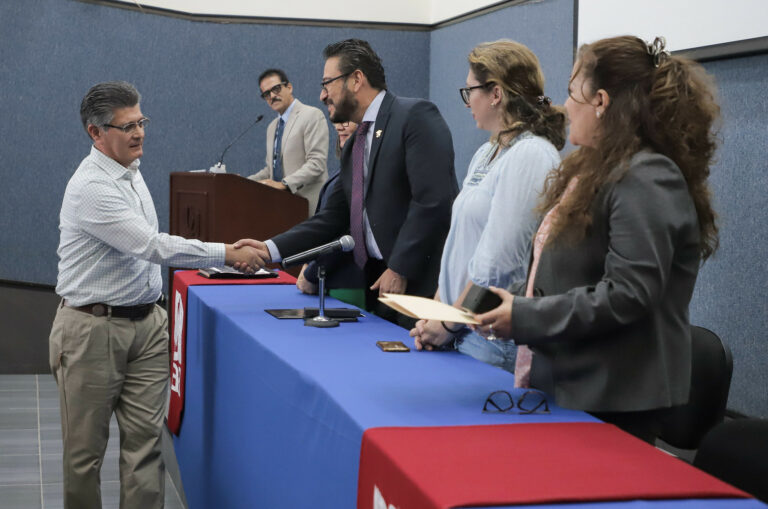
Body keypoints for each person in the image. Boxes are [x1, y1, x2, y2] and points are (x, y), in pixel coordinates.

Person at [468, 36, 720, 442]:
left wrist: (526, 316)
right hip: (567, 384)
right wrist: (501, 308)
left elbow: (628, 294)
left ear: (601, 101)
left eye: (573, 93)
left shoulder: (645, 175)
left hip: (611, 398)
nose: (565, 107)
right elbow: (561, 273)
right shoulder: (589, 170)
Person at [49, 81, 266, 508]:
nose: (140, 133)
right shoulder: (91, 185)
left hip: (147, 326)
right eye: (127, 126)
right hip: (92, 330)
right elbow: (151, 245)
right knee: (84, 457)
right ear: (95, 132)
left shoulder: (131, 171)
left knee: (146, 449)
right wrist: (227, 252)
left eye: (141, 121)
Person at [237, 39, 458, 326]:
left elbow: (433, 201)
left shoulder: (414, 116)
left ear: (356, 79)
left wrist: (399, 268)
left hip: (420, 288)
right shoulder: (355, 144)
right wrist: (268, 249)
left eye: (327, 83)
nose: (322, 95)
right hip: (377, 287)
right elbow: (333, 218)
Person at [409, 40, 565, 372]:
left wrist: (448, 323)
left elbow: (498, 264)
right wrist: (436, 315)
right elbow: (459, 248)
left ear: (495, 93)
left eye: (471, 91)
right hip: (459, 326)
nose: (468, 101)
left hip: (489, 337)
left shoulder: (532, 154)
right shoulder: (487, 152)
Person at [296, 121, 366, 308]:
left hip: (347, 281)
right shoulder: (345, 169)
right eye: (337, 122)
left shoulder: (361, 174)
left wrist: (311, 273)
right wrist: (308, 264)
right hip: (329, 278)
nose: (339, 127)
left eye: (347, 121)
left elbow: (349, 233)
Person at [248, 68, 330, 215]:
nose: (272, 96)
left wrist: (284, 184)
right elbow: (271, 170)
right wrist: (243, 182)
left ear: (289, 87)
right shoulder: (272, 127)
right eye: (266, 94)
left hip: (308, 207)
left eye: (276, 89)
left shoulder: (311, 115)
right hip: (280, 208)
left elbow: (317, 164)